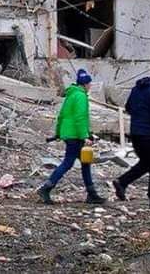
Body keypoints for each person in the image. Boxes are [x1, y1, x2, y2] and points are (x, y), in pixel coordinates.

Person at [36, 69, 105, 204]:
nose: (90, 86)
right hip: (75, 135)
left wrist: (59, 132)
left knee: (85, 162)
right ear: (85, 84)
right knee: (68, 163)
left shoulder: (71, 95)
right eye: (89, 83)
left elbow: (62, 115)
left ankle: (92, 193)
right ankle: (46, 188)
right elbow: (80, 118)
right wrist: (84, 136)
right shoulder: (81, 96)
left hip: (69, 134)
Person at [112, 66, 150, 212]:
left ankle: (122, 182)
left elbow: (128, 107)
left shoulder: (137, 88)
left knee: (146, 164)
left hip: (135, 133)